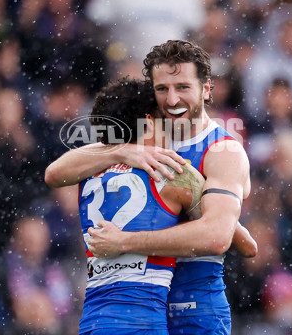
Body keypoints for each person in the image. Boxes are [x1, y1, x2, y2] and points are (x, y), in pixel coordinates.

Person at [45, 40, 252, 334]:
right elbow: (55, 173)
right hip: (143, 309)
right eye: (162, 89)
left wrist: (125, 242)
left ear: (206, 89)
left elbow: (218, 237)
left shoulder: (223, 151)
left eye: (182, 87)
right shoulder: (141, 138)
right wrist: (119, 151)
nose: (172, 100)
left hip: (193, 308)